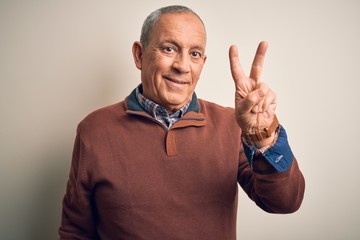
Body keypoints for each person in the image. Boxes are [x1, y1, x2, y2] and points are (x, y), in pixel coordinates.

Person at [59, 5, 305, 240]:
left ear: (202, 64)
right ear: (139, 54)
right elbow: (76, 232)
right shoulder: (94, 131)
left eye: (195, 54)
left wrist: (261, 135)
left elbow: (285, 202)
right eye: (169, 49)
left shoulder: (231, 126)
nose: (182, 66)